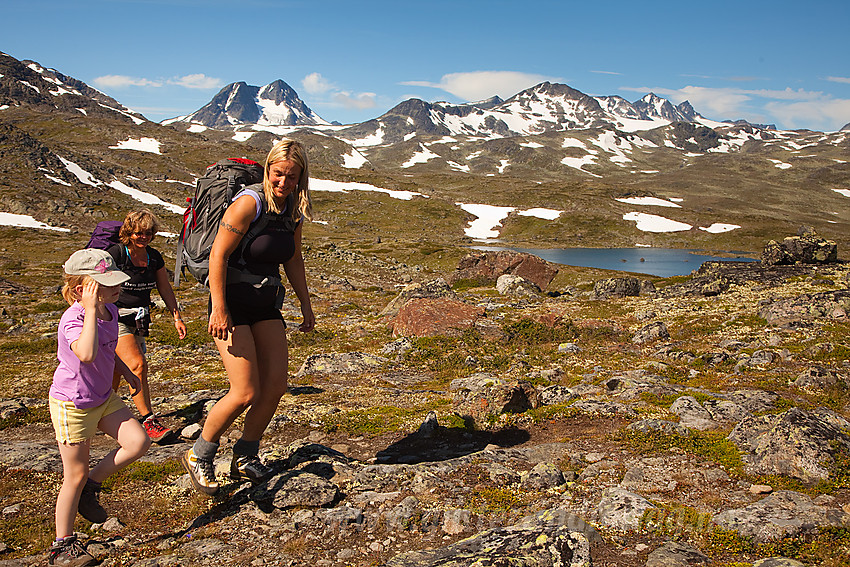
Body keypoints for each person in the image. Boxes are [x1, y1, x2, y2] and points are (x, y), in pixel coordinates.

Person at [182, 138, 315, 495]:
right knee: (244, 391)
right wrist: (220, 307)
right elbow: (218, 256)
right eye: (277, 174)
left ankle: (245, 455)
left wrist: (305, 303)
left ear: (301, 178)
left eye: (291, 176)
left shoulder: (294, 211)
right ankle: (200, 454)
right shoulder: (248, 203)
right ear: (268, 170)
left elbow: (293, 259)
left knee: (274, 387)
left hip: (266, 302)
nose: (283, 182)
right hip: (232, 303)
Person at [49, 249, 151, 566]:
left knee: (138, 442)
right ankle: (61, 547)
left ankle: (91, 488)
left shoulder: (110, 309)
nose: (116, 288)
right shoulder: (75, 319)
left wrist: (125, 371)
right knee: (73, 475)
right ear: (83, 289)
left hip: (103, 396)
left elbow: (108, 349)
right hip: (73, 404)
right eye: (105, 284)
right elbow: (88, 353)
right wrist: (91, 310)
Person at [108, 209, 187, 443]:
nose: (144, 237)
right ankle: (148, 420)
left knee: (116, 370)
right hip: (114, 319)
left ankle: (100, 411)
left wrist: (177, 317)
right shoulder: (115, 255)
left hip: (139, 321)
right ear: (129, 232)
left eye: (149, 233)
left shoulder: (154, 257)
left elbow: (165, 288)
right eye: (139, 233)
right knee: (137, 365)